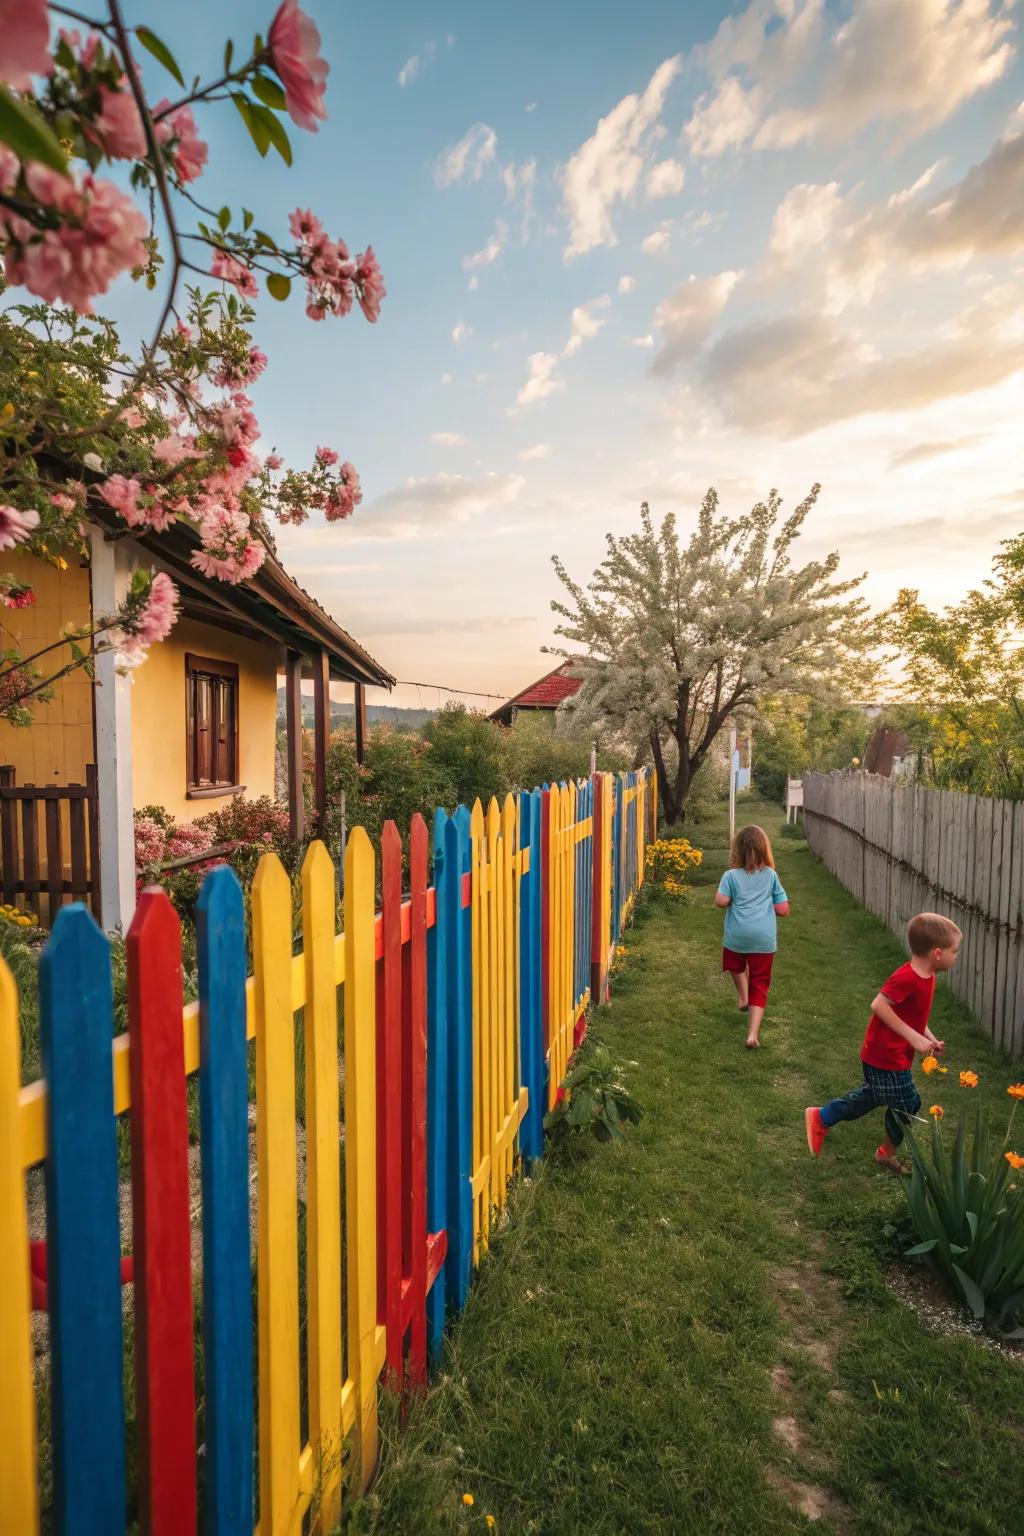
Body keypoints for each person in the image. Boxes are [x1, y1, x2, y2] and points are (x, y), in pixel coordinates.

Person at [805, 912, 961, 1172]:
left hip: (894, 1056)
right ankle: (873, 1146)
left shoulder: (927, 976)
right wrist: (914, 1038)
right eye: (954, 951)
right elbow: (878, 1005)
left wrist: (929, 1039)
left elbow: (912, 1016)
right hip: (883, 1056)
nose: (956, 956)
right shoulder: (907, 977)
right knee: (907, 1102)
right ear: (937, 952)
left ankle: (823, 1118)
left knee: (875, 1097)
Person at [715, 824, 789, 1049]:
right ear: (765, 850)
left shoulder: (730, 876)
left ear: (737, 850)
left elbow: (720, 901)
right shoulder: (771, 876)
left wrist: (730, 898)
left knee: (735, 965)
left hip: (737, 936)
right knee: (760, 983)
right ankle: (752, 1035)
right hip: (763, 940)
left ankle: (742, 996)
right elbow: (783, 909)